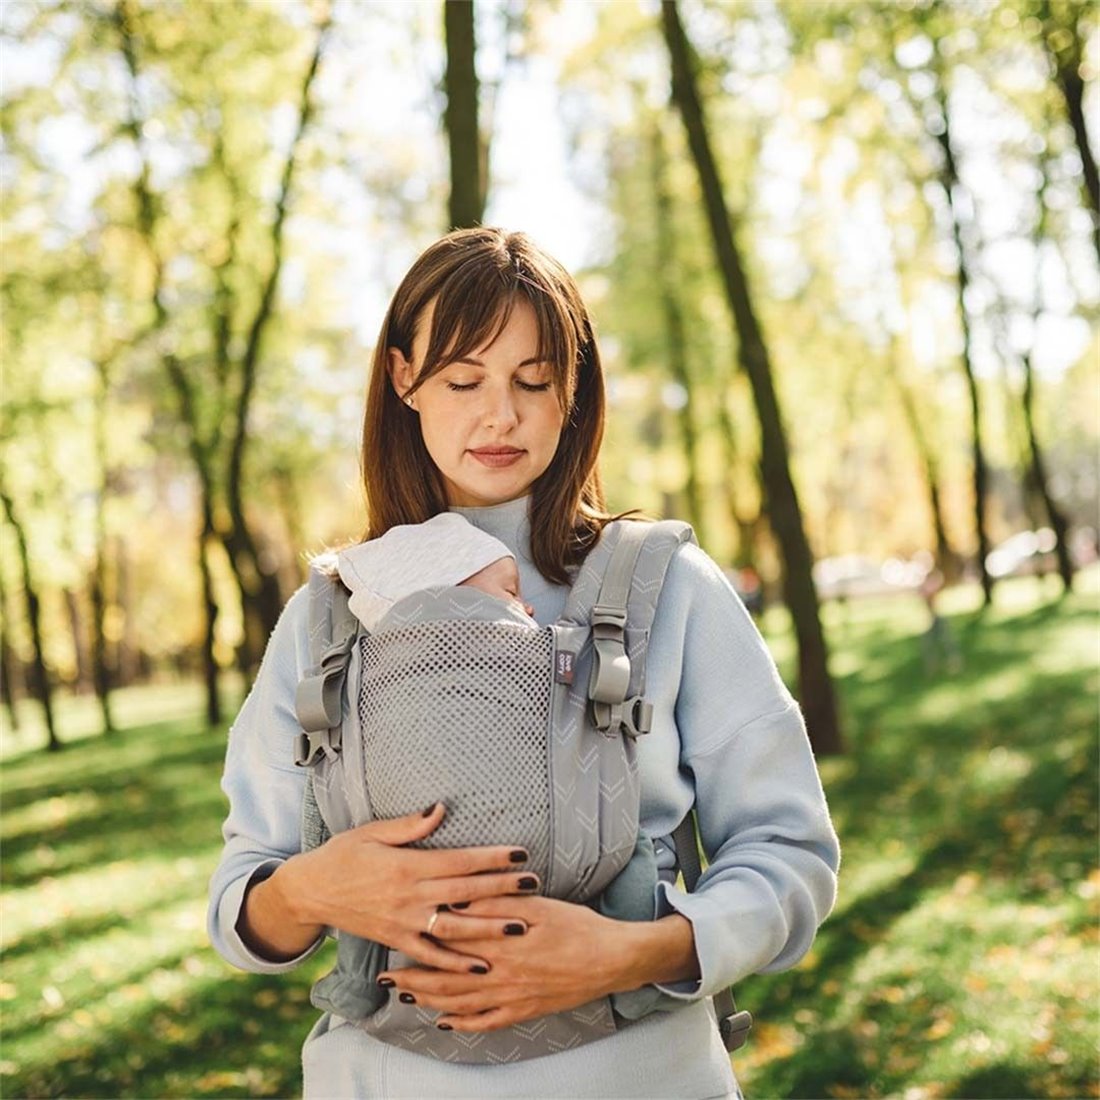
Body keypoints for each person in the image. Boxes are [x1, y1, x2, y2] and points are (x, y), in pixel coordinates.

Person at [208, 227, 840, 1099]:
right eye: (464, 380)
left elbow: (790, 850)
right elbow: (244, 901)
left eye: (532, 381)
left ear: (572, 389)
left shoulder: (668, 587)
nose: (498, 414)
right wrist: (315, 890)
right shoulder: (330, 611)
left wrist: (631, 953)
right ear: (404, 379)